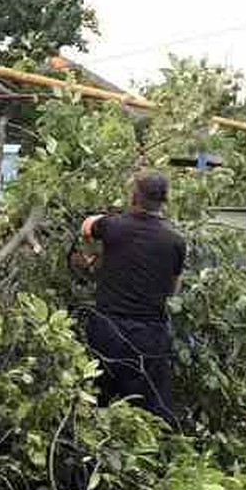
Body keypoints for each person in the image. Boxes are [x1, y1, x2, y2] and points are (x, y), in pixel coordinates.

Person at [80, 170, 186, 420]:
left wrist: (94, 255)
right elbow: (173, 290)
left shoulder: (113, 226)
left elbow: (86, 227)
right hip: (149, 336)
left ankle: (90, 454)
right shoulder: (175, 241)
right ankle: (151, 455)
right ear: (164, 200)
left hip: (107, 330)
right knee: (150, 412)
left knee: (94, 402)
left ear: (134, 196)